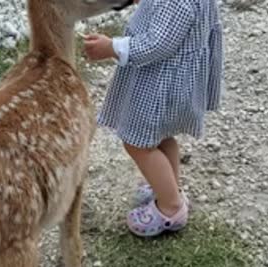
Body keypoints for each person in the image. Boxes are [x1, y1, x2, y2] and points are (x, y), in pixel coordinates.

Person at [83, 0, 224, 237]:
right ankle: (168, 188)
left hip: (162, 85)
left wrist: (112, 47)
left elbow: (157, 45)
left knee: (138, 143)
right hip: (174, 82)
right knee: (161, 137)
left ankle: (171, 208)